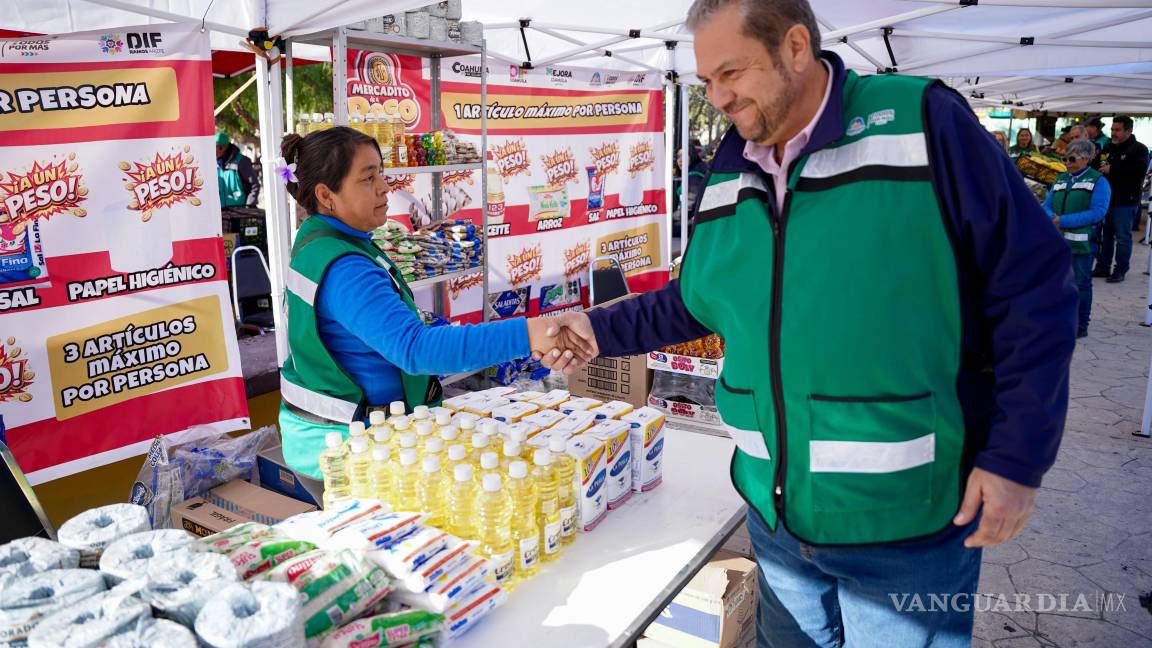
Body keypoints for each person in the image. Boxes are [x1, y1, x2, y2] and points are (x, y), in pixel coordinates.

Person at [540, 0, 1077, 645]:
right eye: (707, 81)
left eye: (731, 73)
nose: (718, 97)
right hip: (776, 518)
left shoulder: (921, 122)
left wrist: (1017, 459)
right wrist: (597, 328)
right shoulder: (732, 163)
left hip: (905, 520)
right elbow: (700, 298)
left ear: (795, 47)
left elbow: (1034, 288)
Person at [275, 126, 582, 477]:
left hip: (333, 435)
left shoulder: (320, 240)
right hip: (349, 448)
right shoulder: (346, 268)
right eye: (368, 178)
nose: (384, 187)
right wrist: (530, 333)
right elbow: (417, 349)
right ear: (326, 195)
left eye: (381, 173)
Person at [1044, 139, 1110, 338]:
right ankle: (1059, 321)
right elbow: (1046, 205)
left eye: (1072, 159)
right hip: (1058, 243)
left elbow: (1098, 212)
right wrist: (1052, 218)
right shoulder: (1060, 179)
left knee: (1081, 284)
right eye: (1065, 159)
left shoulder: (1099, 181)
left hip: (1083, 243)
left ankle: (1080, 325)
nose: (1067, 163)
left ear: (1086, 158)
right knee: (1058, 283)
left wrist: (1062, 220)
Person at [1093, 116, 1150, 282]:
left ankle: (1120, 270)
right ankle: (1103, 267)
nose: (1113, 133)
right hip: (1106, 200)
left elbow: (1139, 172)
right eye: (1112, 129)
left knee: (1123, 238)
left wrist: (1113, 169)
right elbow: (1097, 164)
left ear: (1128, 131)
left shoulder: (1139, 149)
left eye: (1117, 130)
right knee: (1105, 236)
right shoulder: (1108, 147)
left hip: (1126, 201)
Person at [216, 131, 261, 208]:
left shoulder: (242, 161)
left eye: (215, 147)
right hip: (221, 212)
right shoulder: (213, 164)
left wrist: (249, 206)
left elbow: (254, 185)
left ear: (224, 147)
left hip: (240, 211)